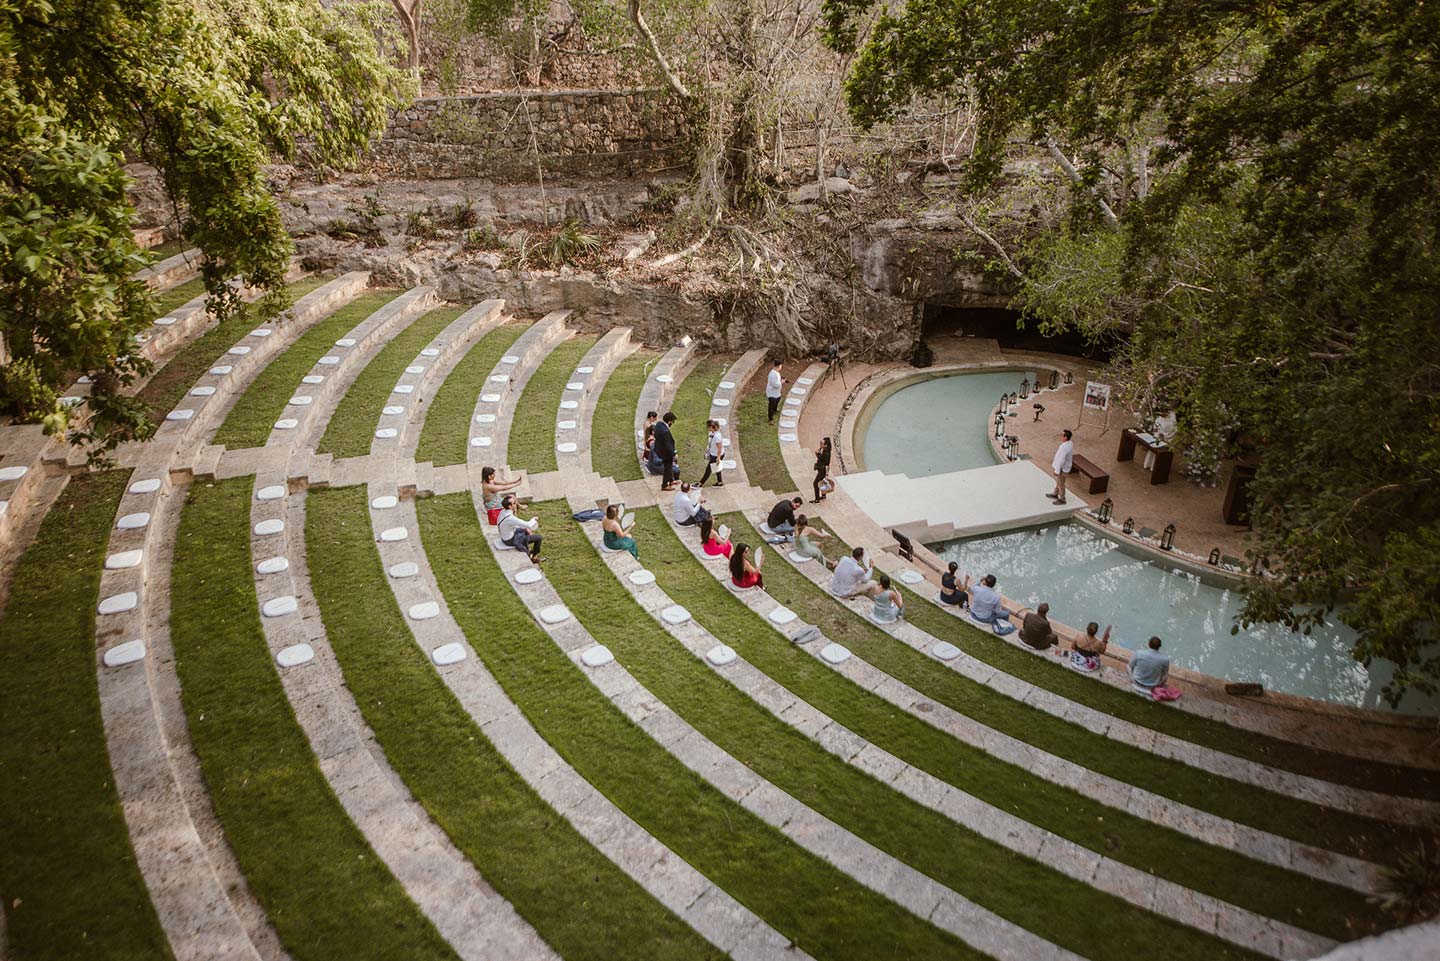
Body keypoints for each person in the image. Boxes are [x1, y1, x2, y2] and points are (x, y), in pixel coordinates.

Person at [496, 494, 542, 563]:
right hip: (510, 540)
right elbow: (528, 524)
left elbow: (518, 525)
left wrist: (525, 528)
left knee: (525, 530)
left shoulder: (503, 512)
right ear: (510, 506)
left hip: (506, 536)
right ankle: (534, 556)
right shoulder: (510, 518)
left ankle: (529, 549)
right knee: (539, 537)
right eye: (514, 503)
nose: (516, 504)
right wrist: (533, 519)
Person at [1049, 428, 1075, 505]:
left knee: (1061, 483)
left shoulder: (1065, 448)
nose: (1061, 436)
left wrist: (1057, 470)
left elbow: (1061, 460)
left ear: (1065, 437)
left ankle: (1062, 499)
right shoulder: (1070, 443)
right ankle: (1055, 493)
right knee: (1059, 482)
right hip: (1065, 467)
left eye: (1062, 435)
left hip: (1062, 469)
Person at [653, 411, 678, 490]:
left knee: (669, 467)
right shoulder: (666, 432)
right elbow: (668, 445)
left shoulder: (658, 424)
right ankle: (664, 485)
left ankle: (671, 480)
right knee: (668, 468)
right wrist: (674, 454)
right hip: (666, 453)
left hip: (659, 449)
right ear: (670, 421)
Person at [699, 419, 726, 487]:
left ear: (711, 427)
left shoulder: (717, 436)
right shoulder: (714, 434)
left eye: (708, 426)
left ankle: (700, 483)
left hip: (716, 455)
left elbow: (719, 447)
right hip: (714, 454)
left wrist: (718, 458)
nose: (707, 428)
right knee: (716, 468)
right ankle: (720, 482)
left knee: (709, 469)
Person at [812, 437, 832, 503]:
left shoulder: (826, 453)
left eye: (822, 443)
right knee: (822, 482)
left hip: (822, 470)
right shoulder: (825, 450)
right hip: (822, 469)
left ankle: (817, 499)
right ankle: (823, 495)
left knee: (816, 483)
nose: (820, 444)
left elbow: (825, 463)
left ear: (826, 445)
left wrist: (817, 454)